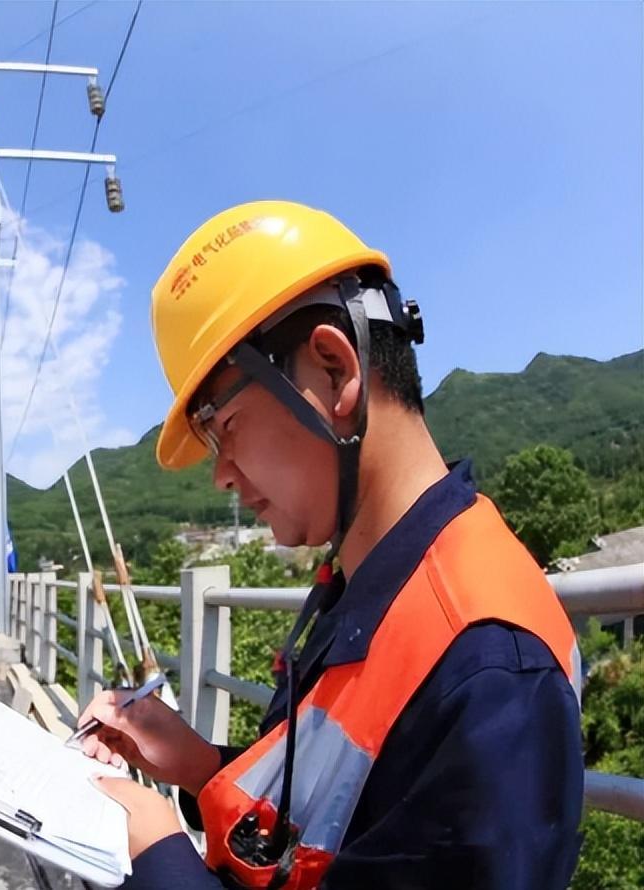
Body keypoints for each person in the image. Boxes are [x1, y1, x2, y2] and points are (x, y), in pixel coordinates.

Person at [79, 201, 583, 890]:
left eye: (225, 427)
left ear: (333, 369)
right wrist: (200, 764)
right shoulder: (368, 586)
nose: (222, 471)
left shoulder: (490, 672)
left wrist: (156, 850)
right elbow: (338, 819)